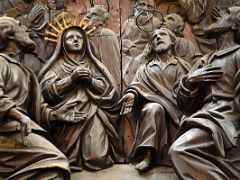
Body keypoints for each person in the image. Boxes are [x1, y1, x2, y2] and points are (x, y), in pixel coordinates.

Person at [38, 25, 124, 171]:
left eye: (79, 37)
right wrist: (71, 80)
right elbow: (45, 93)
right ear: (63, 43)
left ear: (85, 42)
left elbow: (109, 91)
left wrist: (91, 81)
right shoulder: (56, 66)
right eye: (70, 38)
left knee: (97, 157)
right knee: (65, 156)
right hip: (65, 116)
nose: (76, 40)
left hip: (92, 112)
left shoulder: (93, 64)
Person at [169, 6, 240, 179]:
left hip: (226, 120)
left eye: (226, 14)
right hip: (205, 119)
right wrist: (189, 81)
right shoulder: (205, 61)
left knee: (180, 150)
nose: (218, 15)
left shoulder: (238, 54)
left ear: (236, 26)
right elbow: (184, 105)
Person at [0, 16, 70, 180]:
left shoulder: (26, 72)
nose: (26, 29)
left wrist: (57, 115)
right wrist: (18, 115)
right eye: (20, 26)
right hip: (7, 131)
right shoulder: (1, 63)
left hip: (21, 129)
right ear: (9, 35)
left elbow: (37, 107)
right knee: (54, 162)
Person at [119, 28, 190, 171]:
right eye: (154, 37)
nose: (158, 37)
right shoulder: (145, 68)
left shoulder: (182, 65)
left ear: (172, 41)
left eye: (162, 34)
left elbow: (190, 91)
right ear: (151, 45)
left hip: (177, 112)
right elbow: (136, 85)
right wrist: (131, 94)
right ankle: (148, 154)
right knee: (153, 108)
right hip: (153, 111)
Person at [121, 0, 161, 87]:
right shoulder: (128, 22)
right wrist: (130, 48)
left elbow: (157, 40)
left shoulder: (156, 23)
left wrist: (144, 53)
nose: (145, 8)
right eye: (142, 4)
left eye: (149, 6)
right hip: (127, 56)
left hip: (147, 57)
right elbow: (119, 39)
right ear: (136, 7)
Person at [85, 5, 121, 90]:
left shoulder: (108, 35)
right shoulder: (80, 36)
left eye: (94, 14)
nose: (87, 16)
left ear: (101, 21)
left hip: (103, 81)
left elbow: (113, 65)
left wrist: (114, 85)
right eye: (88, 13)